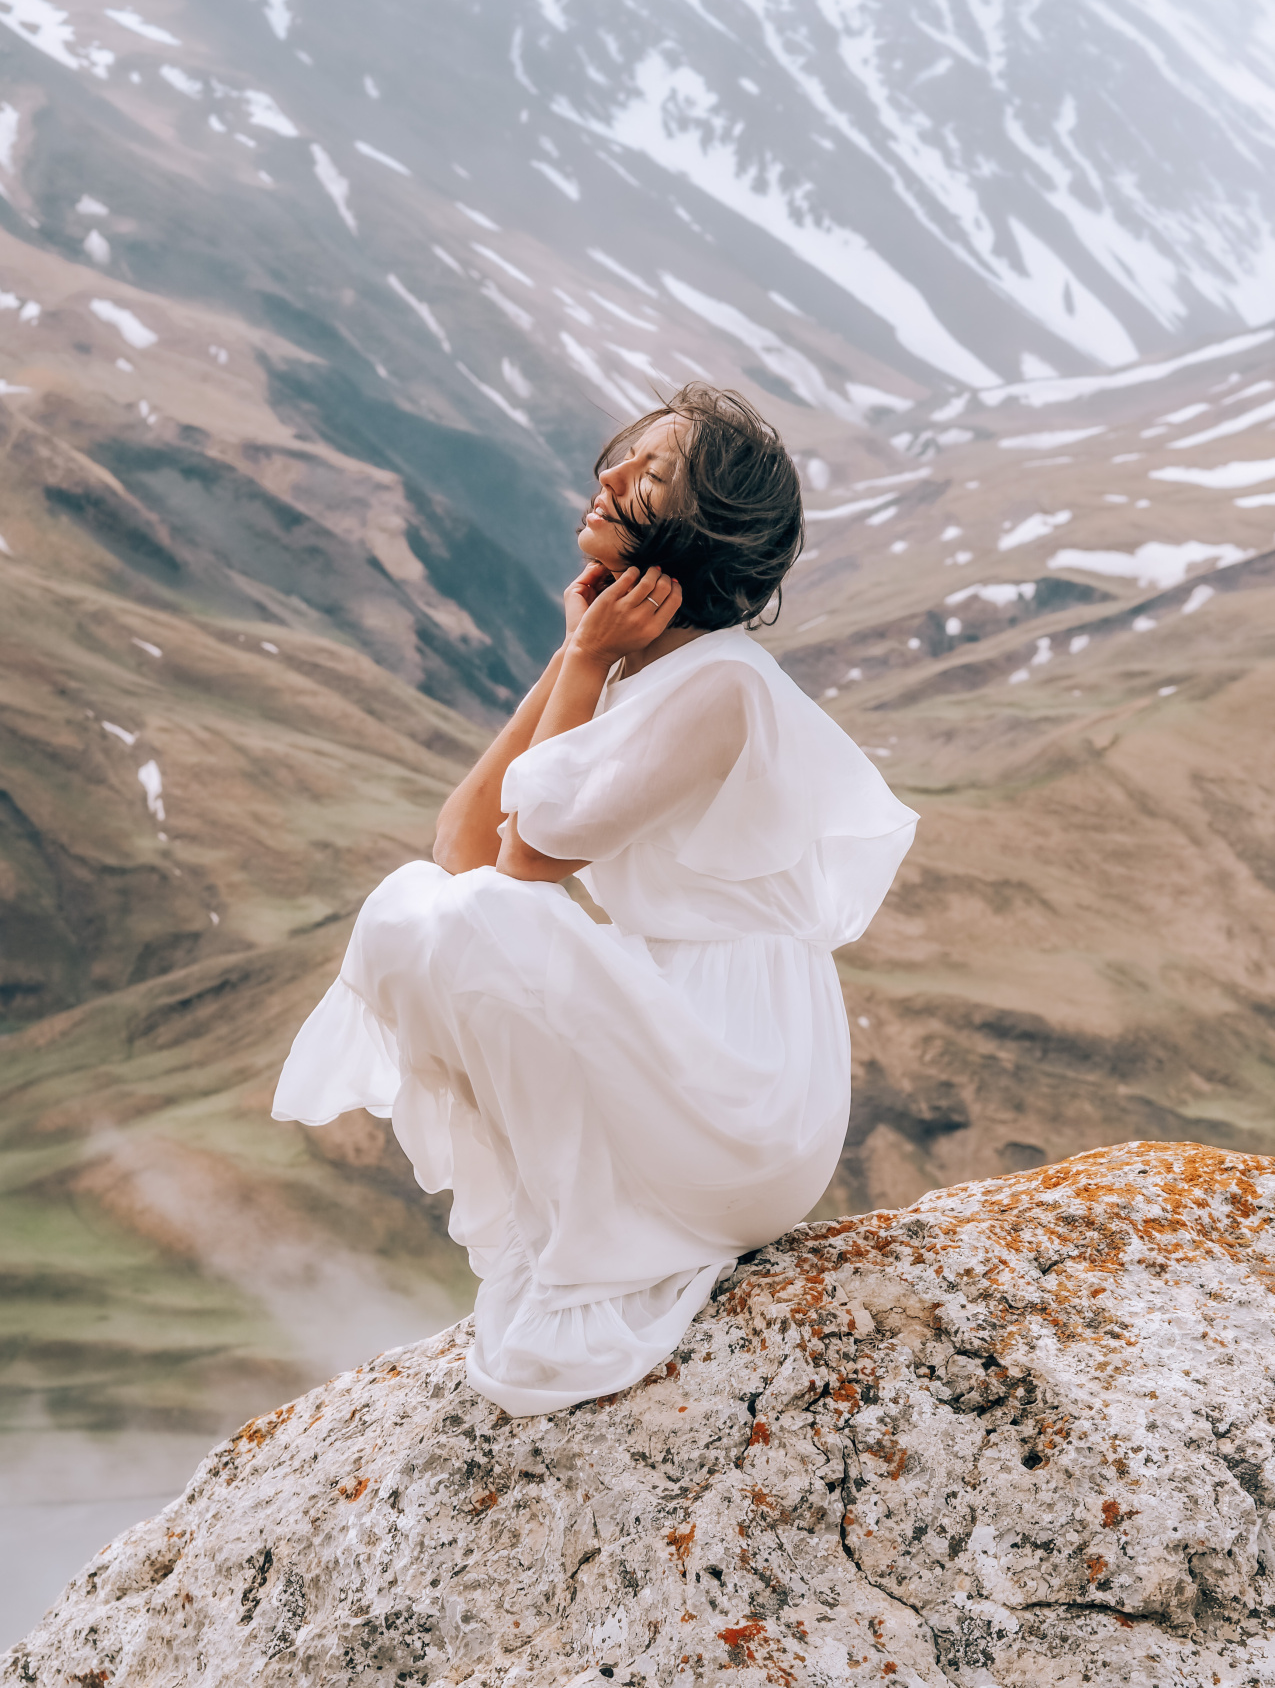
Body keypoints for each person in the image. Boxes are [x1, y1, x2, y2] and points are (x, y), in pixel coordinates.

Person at [273, 384, 917, 1416]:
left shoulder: (724, 686)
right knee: (407, 914)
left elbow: (519, 871)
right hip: (680, 1049)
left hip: (746, 1097)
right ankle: (578, 1224)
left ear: (692, 537)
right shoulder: (633, 672)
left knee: (471, 920)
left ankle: (597, 1246)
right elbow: (458, 843)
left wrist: (583, 661)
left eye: (649, 477)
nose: (608, 478)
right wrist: (574, 658)